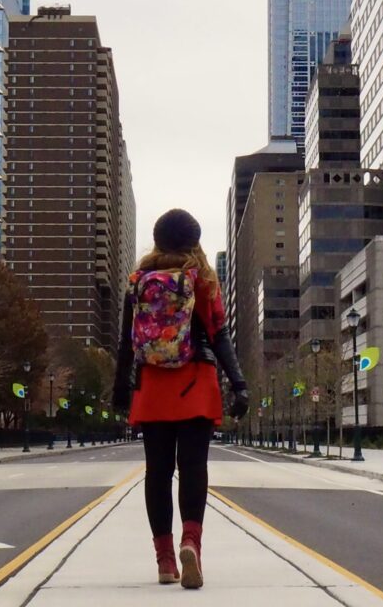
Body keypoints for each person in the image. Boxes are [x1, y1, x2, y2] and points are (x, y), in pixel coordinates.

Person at [113, 209, 249, 589]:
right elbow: (220, 336)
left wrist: (120, 389)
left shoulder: (138, 283)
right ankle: (192, 542)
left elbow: (126, 342)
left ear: (157, 241)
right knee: (193, 468)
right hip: (196, 383)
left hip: (152, 386)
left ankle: (164, 559)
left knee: (157, 473)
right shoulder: (203, 281)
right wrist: (239, 384)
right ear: (194, 240)